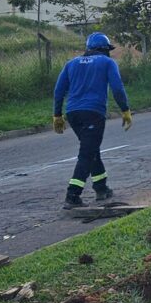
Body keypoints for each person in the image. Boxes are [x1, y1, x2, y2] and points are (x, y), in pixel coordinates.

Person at [53, 32, 132, 209]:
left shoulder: (71, 63)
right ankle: (72, 195)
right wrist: (125, 109)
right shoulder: (107, 62)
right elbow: (117, 88)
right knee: (86, 153)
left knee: (91, 149)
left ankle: (101, 187)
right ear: (105, 49)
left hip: (73, 114)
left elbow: (59, 91)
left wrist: (57, 114)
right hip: (93, 112)